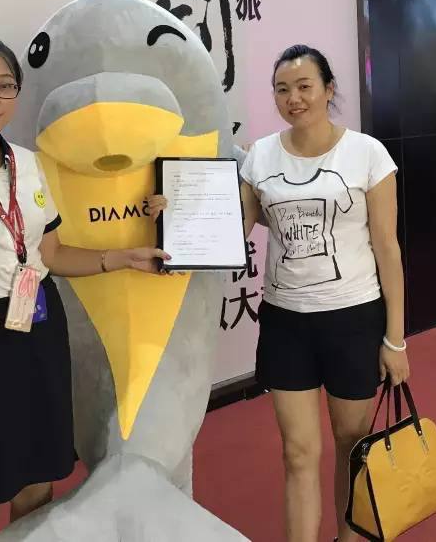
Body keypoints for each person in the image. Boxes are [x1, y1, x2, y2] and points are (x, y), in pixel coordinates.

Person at [0, 35, 170, 542]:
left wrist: (120, 258)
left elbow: (51, 254)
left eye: (4, 86)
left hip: (40, 329)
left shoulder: (29, 164)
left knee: (38, 485)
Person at [149, 44, 410, 542]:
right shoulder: (261, 156)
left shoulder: (367, 154)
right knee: (297, 453)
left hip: (353, 318)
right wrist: (174, 217)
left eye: (305, 86)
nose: (294, 98)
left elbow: (387, 250)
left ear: (329, 90)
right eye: (283, 89)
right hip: (286, 322)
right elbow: (231, 230)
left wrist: (394, 340)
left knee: (352, 444)